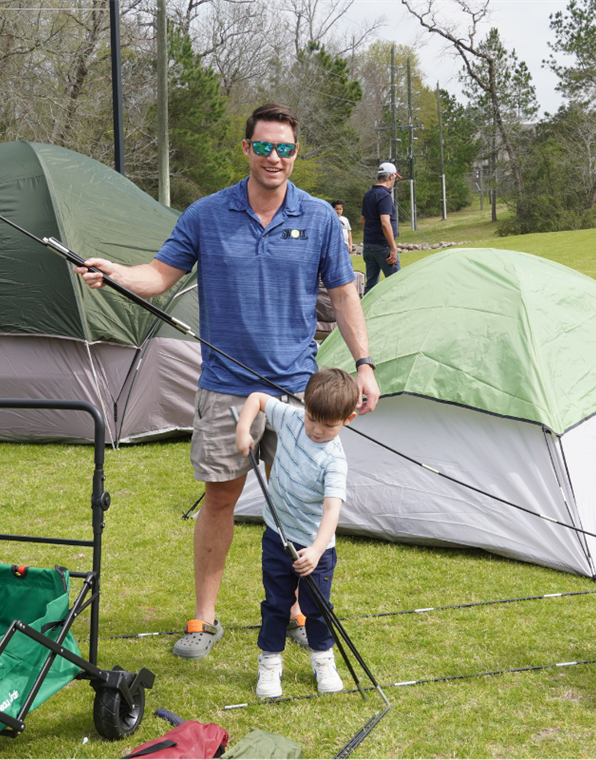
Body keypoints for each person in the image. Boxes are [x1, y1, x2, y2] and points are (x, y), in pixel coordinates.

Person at [75, 103, 380, 660]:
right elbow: (158, 276)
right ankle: (205, 618)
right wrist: (116, 272)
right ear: (246, 149)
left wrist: (364, 364)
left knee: (297, 505)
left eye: (285, 148)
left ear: (296, 153)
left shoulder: (317, 219)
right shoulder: (206, 215)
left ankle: (293, 609)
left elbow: (343, 294)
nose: (274, 157)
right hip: (224, 387)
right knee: (220, 500)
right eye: (264, 146)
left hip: (295, 392)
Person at [235, 367, 357, 697]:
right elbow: (257, 398)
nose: (317, 430)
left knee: (316, 610)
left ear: (349, 419)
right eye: (312, 419)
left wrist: (317, 550)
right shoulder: (291, 418)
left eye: (328, 425)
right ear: (304, 406)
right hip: (277, 536)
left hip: (315, 550)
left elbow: (332, 508)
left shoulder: (334, 460)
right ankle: (270, 666)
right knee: (276, 604)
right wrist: (243, 429)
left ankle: (323, 662)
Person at [360, 163, 401, 292]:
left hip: (368, 244)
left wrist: (371, 235)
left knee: (371, 285)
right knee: (396, 283)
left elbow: (363, 220)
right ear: (390, 177)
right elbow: (385, 223)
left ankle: (366, 311)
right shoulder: (384, 195)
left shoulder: (369, 194)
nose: (394, 181)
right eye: (394, 178)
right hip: (383, 246)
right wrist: (393, 248)